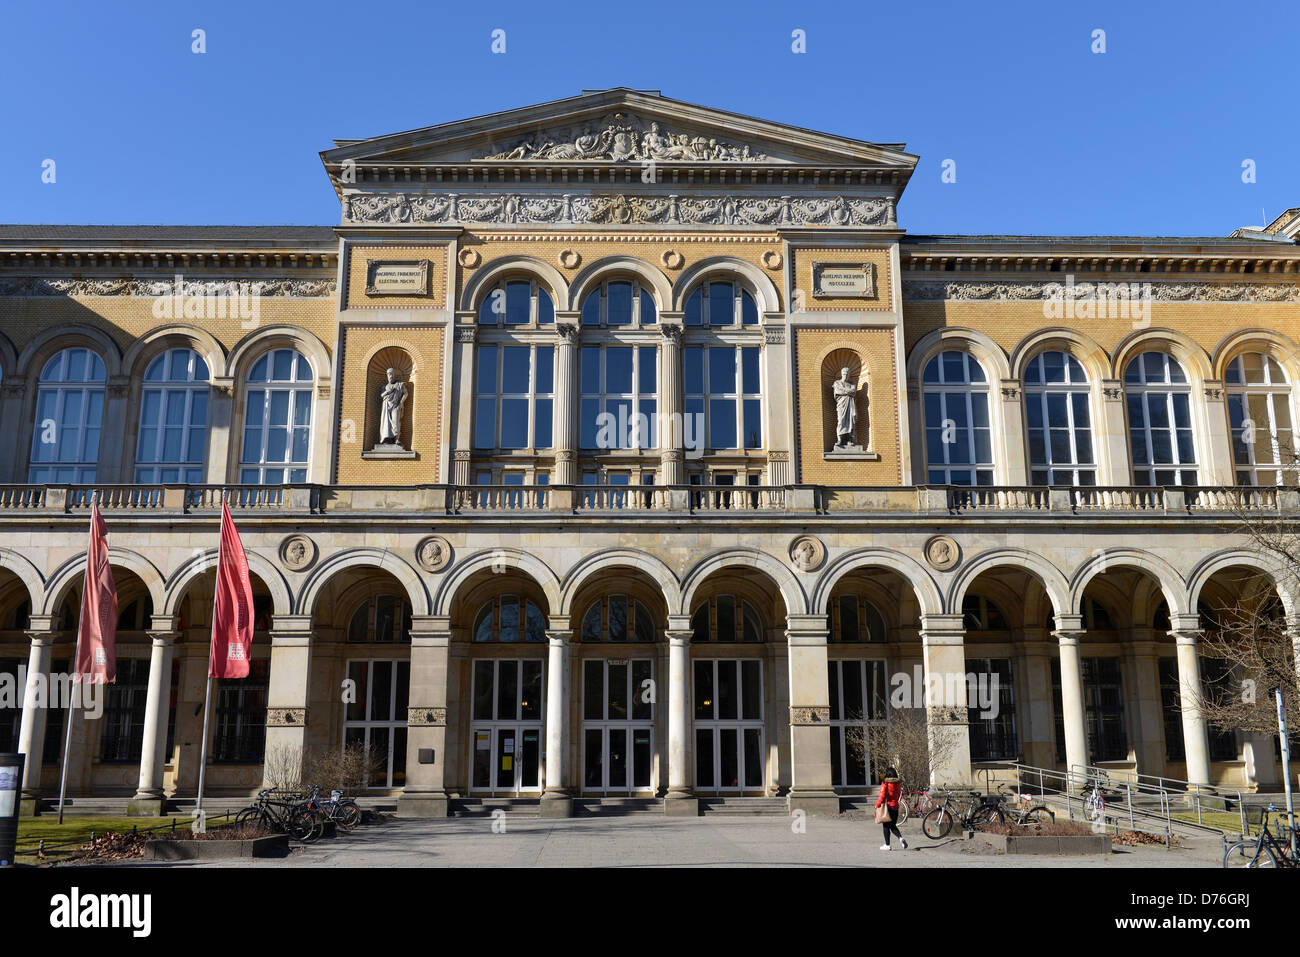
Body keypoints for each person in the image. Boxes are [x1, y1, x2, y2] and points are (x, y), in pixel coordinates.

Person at [876, 765, 907, 851]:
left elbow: (882, 795)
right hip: (895, 807)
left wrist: (877, 804)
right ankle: (900, 838)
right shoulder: (897, 783)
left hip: (888, 808)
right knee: (893, 826)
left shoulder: (885, 783)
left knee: (886, 827)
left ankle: (887, 845)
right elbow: (898, 795)